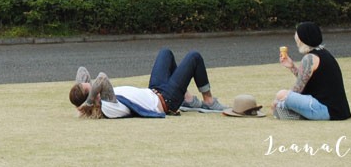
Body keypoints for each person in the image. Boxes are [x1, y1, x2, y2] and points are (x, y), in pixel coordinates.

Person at [69, 48, 230, 118]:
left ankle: (187, 100)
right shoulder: (107, 106)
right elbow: (102, 78)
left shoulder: (99, 97)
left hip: (155, 90)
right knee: (194, 57)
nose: (90, 81)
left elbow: (82, 71)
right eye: (89, 86)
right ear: (91, 95)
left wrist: (82, 100)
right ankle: (208, 102)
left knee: (165, 53)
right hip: (166, 100)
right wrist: (89, 101)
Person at [271, 21, 351, 121]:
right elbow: (308, 80)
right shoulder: (324, 53)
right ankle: (295, 113)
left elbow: (297, 90)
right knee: (280, 107)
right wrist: (291, 66)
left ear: (302, 38)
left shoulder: (310, 58)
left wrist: (280, 100)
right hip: (338, 110)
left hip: (327, 109)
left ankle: (292, 111)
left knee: (281, 94)